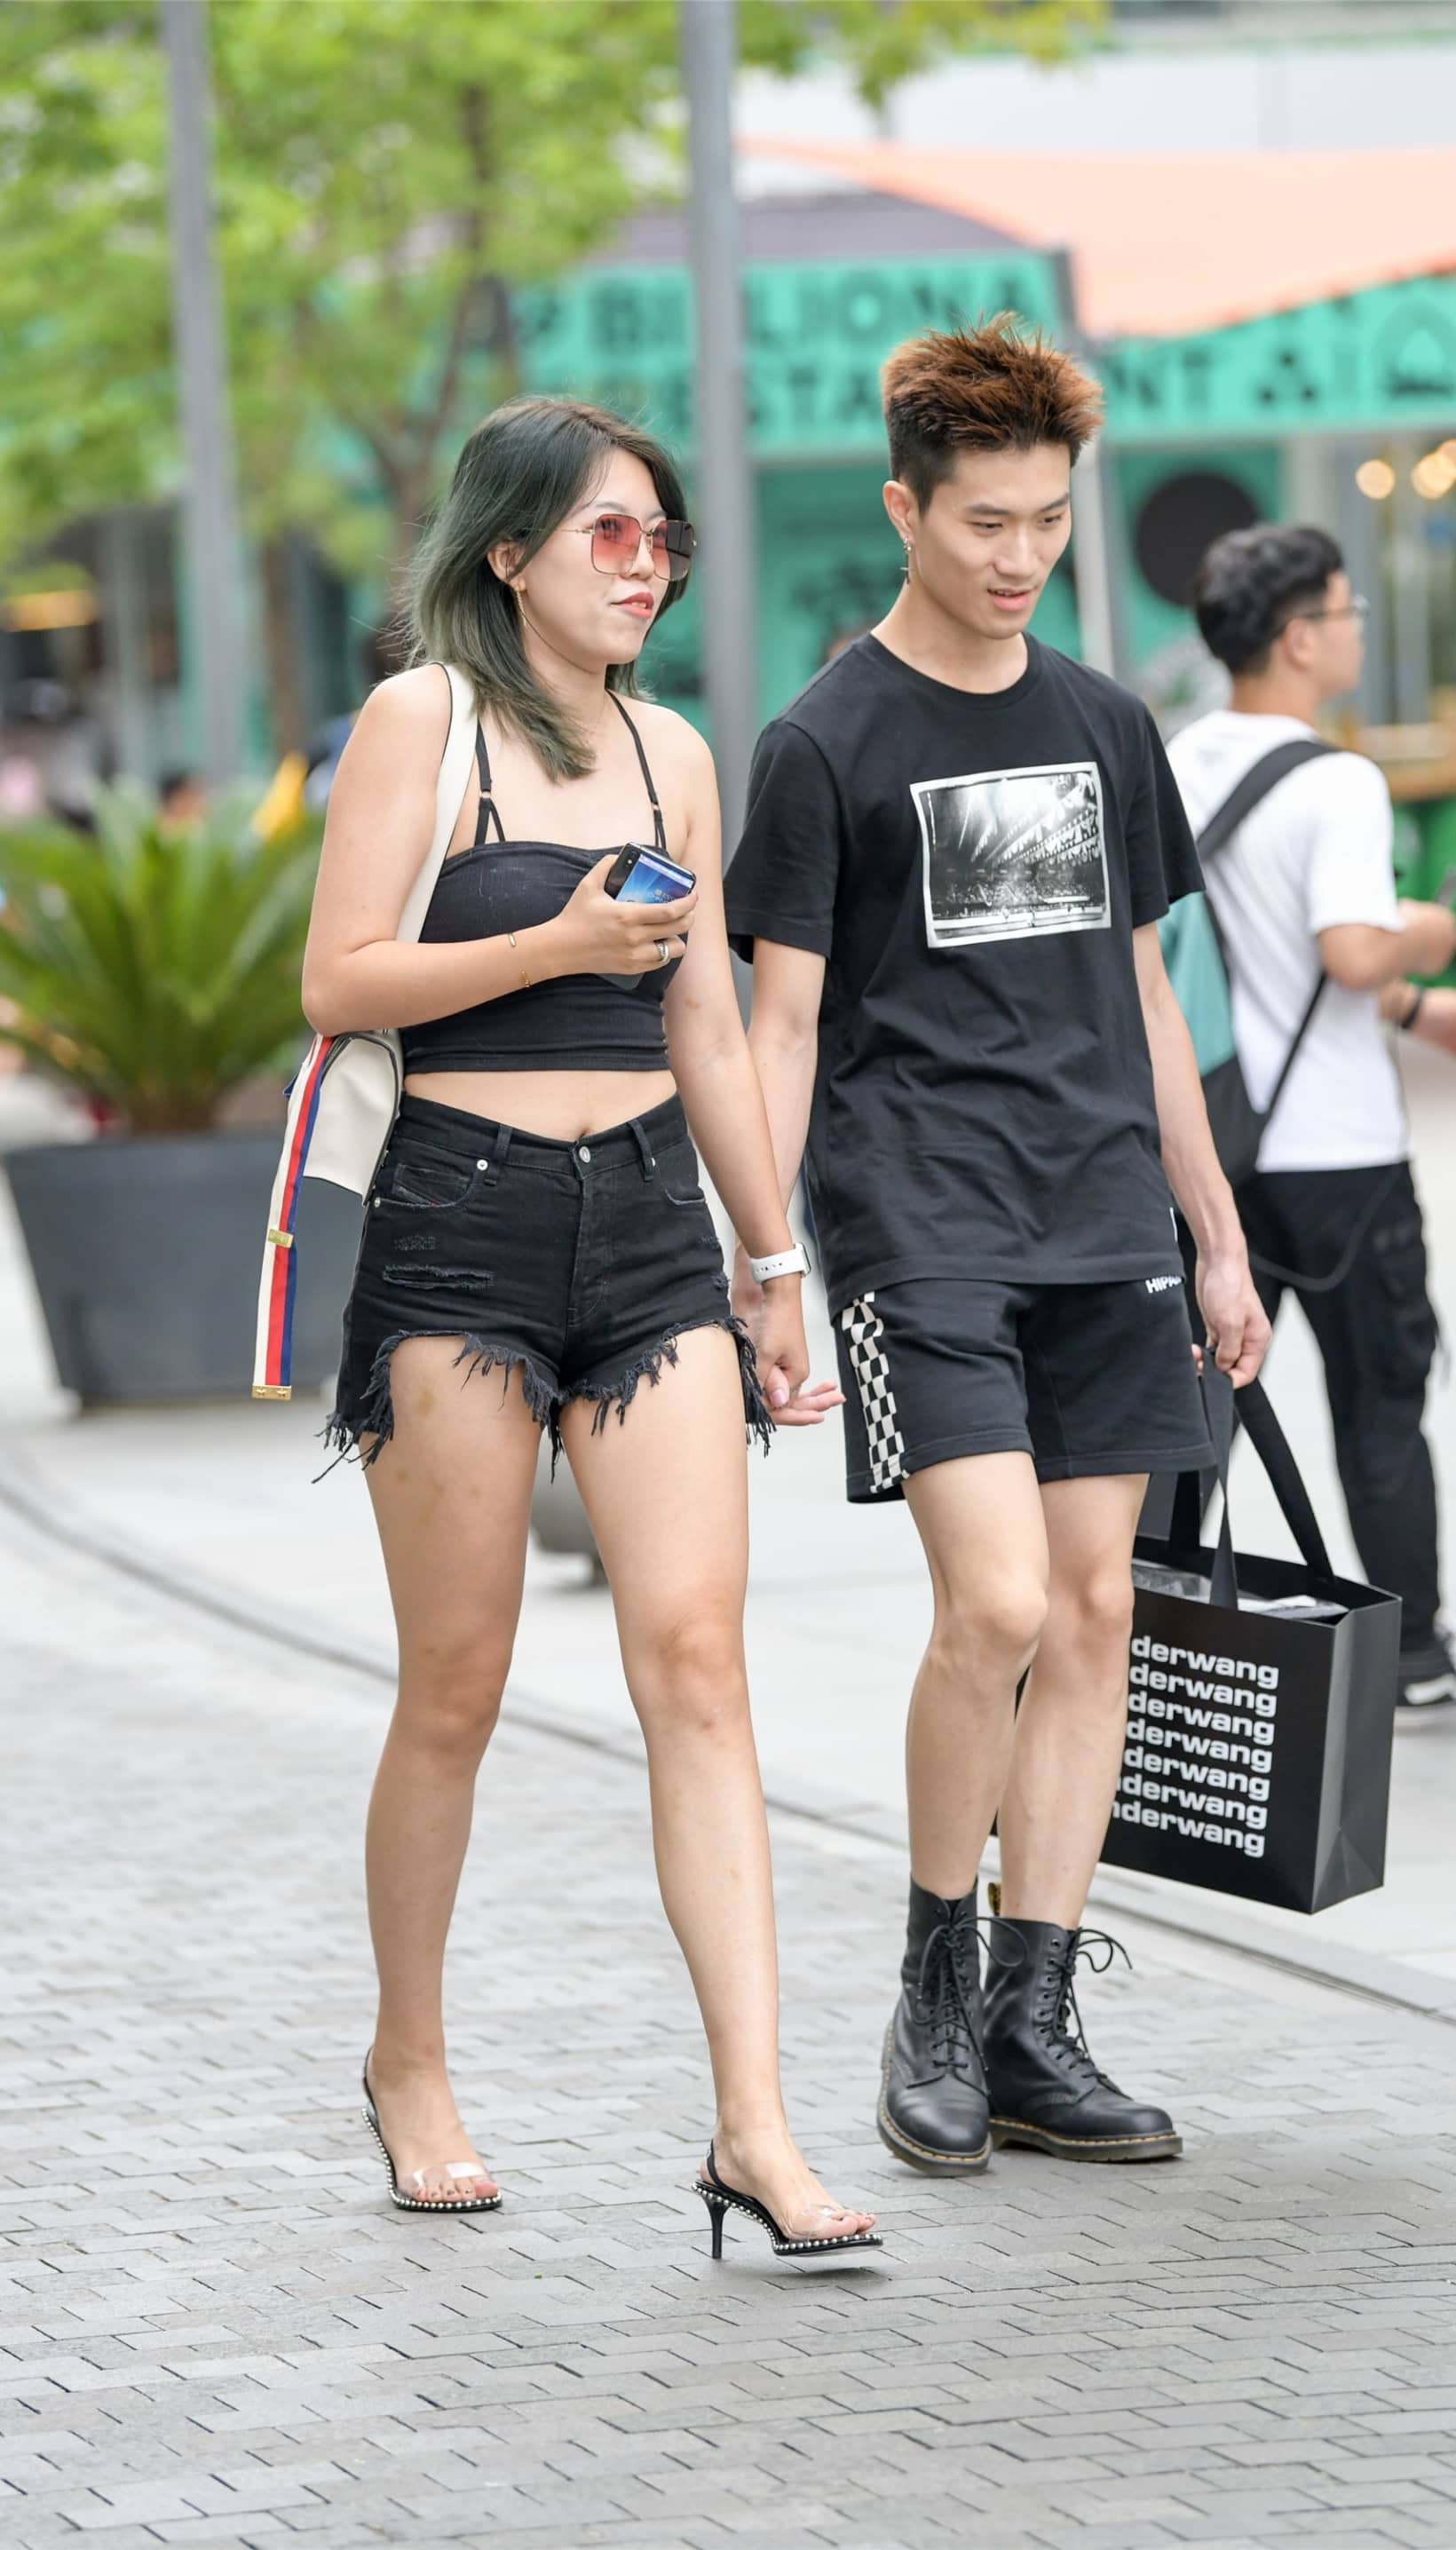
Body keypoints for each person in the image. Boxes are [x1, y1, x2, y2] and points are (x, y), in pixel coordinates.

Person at [301, 395, 876, 2257]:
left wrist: (772, 1263)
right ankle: (407, 2061)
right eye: (609, 534)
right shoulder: (424, 721)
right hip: (457, 1226)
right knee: (456, 1684)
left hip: (645, 1232)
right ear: (508, 550)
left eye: (663, 538)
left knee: (699, 1666)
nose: (646, 568)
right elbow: (339, 979)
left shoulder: (671, 752)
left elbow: (704, 1023)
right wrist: (550, 944)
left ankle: (755, 2125)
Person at [724, 317, 1269, 2177]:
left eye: (1046, 518)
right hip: (918, 1222)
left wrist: (1217, 1238)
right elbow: (780, 1026)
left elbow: (1146, 995)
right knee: (1001, 1607)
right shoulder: (823, 740)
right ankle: (934, 1989)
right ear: (905, 509)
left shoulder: (1106, 724)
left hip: (1105, 1215)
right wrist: (767, 1260)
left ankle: (1035, 2022)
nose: (1019, 554)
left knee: (1100, 1608)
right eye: (982, 521)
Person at [1168, 524, 1456, 1715]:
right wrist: (1430, 928)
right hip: (1340, 1155)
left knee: (1199, 1410)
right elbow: (1349, 950)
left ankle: (1145, 1629)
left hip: (1212, 1148)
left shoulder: (1177, 760)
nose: (1356, 632)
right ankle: (1413, 1654)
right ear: (1297, 637)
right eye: (1346, 611)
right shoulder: (1335, 781)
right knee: (1380, 1402)